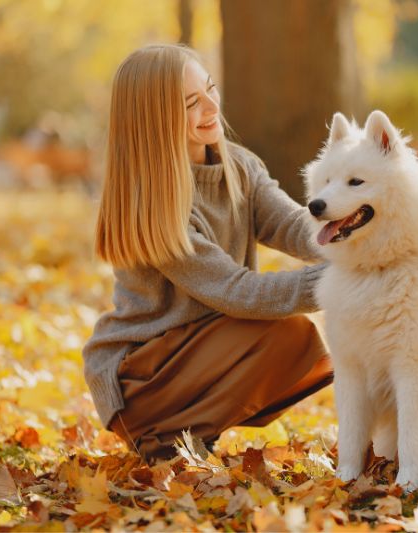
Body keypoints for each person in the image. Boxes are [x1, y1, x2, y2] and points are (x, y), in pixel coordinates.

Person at [83, 44, 332, 461]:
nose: (211, 106)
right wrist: (343, 277)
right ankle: (163, 438)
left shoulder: (240, 167)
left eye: (210, 89)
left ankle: (191, 437)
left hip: (197, 352)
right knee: (290, 334)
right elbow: (236, 292)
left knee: (290, 336)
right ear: (155, 120)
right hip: (141, 379)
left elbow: (292, 226)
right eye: (191, 103)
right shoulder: (157, 201)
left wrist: (361, 241)